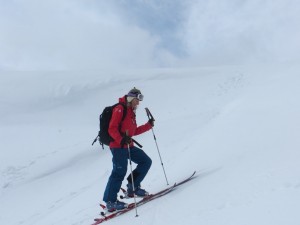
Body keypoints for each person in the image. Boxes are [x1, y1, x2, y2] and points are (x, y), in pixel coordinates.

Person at [103, 87, 154, 212]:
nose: (138, 103)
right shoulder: (120, 109)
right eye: (137, 100)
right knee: (118, 172)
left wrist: (149, 125)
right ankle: (111, 201)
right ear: (131, 98)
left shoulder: (131, 111)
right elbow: (112, 128)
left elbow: (133, 131)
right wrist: (120, 140)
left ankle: (133, 187)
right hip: (118, 146)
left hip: (128, 145)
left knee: (145, 161)